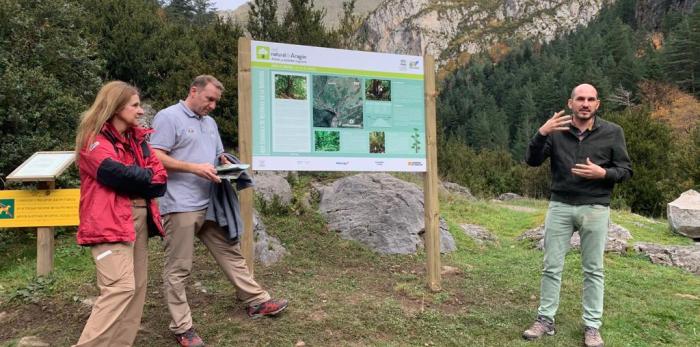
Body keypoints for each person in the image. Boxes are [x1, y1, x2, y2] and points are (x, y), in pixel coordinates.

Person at [150, 75, 288, 347]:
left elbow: (216, 155)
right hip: (180, 205)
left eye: (216, 101)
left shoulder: (210, 123)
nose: (212, 106)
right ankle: (182, 327)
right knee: (178, 268)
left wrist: (224, 162)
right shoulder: (168, 117)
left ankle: (257, 301)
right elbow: (155, 157)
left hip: (211, 202)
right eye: (209, 99)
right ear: (193, 91)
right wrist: (194, 168)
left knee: (231, 254)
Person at [522, 84, 632, 347]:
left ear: (598, 104)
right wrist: (540, 133)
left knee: (594, 269)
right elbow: (531, 161)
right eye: (580, 99)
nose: (585, 103)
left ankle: (592, 327)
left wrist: (604, 174)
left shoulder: (613, 132)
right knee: (551, 266)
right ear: (570, 103)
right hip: (560, 205)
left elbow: (626, 170)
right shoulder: (556, 131)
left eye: (590, 99)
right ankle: (545, 319)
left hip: (595, 208)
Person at [74, 81, 167, 346]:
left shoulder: (139, 140)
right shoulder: (94, 141)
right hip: (108, 224)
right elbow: (115, 174)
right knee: (119, 288)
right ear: (115, 107)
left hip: (137, 219)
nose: (140, 111)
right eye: (135, 105)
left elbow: (160, 180)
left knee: (136, 291)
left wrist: (142, 177)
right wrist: (144, 176)